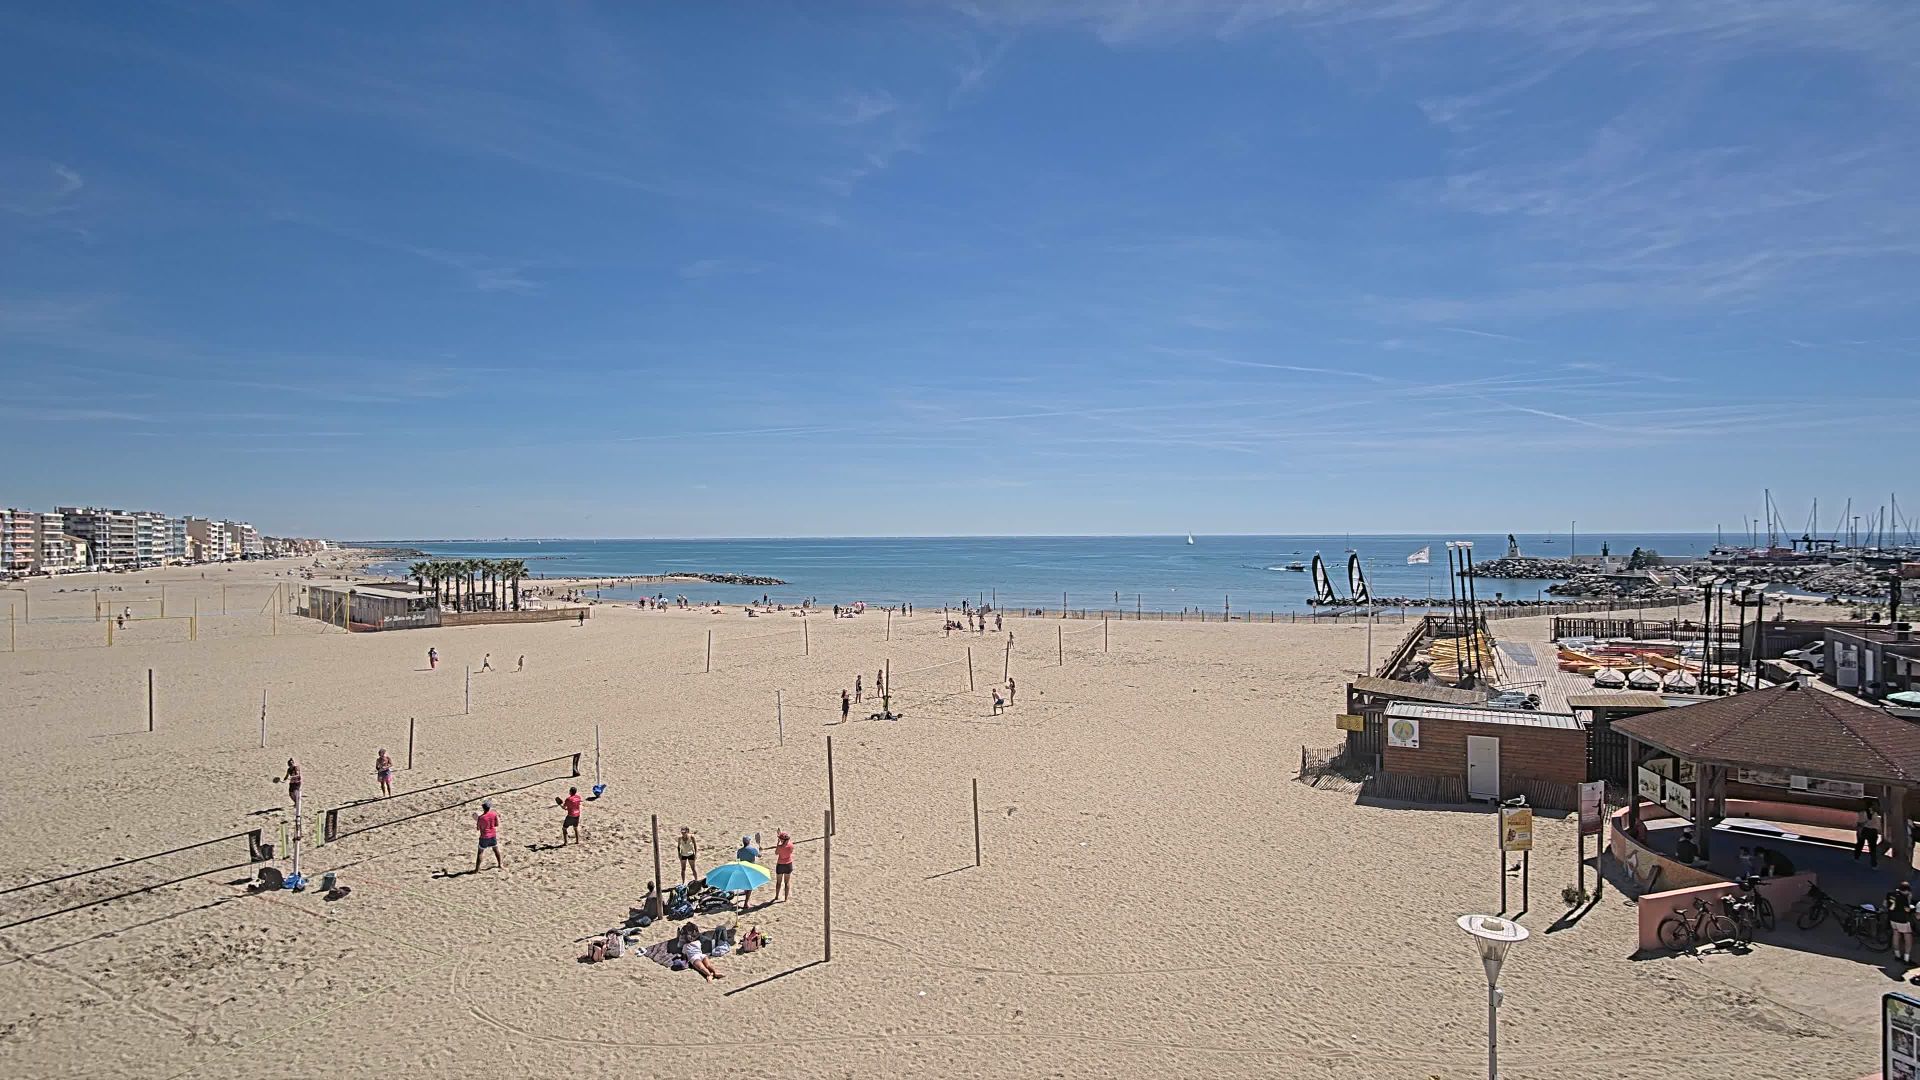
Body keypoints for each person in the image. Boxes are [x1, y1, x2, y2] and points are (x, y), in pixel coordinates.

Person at [1890, 882, 1917, 966]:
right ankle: (1906, 959)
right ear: (1906, 890)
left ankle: (1897, 955)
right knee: (1908, 937)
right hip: (1902, 920)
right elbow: (1907, 910)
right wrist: (1909, 899)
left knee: (1895, 935)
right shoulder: (1904, 897)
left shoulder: (1890, 894)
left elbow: (1885, 904)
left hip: (1892, 919)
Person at [475, 800, 505, 872]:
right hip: (492, 835)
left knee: (480, 852)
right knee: (496, 850)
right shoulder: (494, 814)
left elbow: (478, 828)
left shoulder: (481, 818)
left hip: (484, 837)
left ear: (483, 808)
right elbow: (496, 824)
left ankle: (477, 869)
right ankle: (500, 864)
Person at [1857, 801, 1884, 868]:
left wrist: (1859, 832)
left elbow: (1860, 824)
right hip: (1873, 832)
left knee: (1860, 844)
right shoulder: (1875, 814)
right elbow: (1877, 825)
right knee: (1872, 848)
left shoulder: (1862, 813)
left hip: (1865, 830)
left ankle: (1857, 857)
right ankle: (1874, 864)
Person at [772, 830, 795, 902]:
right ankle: (786, 898)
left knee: (778, 882)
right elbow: (790, 850)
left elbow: (776, 853)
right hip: (788, 864)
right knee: (787, 882)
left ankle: (776, 896)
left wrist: (778, 843)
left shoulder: (779, 847)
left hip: (780, 865)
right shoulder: (791, 845)